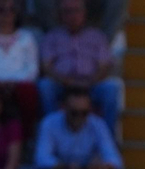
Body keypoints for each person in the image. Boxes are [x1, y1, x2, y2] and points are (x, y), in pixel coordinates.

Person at [37, 0, 119, 130]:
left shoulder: (97, 36)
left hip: (91, 84)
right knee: (45, 86)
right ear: (61, 15)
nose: (73, 15)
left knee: (112, 88)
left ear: (84, 13)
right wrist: (64, 80)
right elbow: (46, 66)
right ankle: (52, 130)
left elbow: (104, 65)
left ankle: (108, 136)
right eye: (68, 12)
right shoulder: (52, 36)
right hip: (62, 85)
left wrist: (91, 81)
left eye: (76, 11)